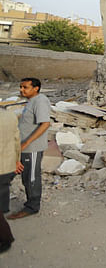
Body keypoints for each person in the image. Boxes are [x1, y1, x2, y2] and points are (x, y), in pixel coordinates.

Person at [6, 78, 51, 220]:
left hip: (31, 149)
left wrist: (25, 144)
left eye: (25, 87)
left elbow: (45, 124)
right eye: (20, 87)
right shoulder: (31, 101)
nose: (21, 90)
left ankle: (32, 207)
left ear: (36, 88)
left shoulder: (40, 101)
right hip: (22, 148)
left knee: (31, 177)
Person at [1, 104, 24, 252]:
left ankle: (5, 239)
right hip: (7, 167)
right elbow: (16, 141)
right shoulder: (10, 116)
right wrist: (17, 161)